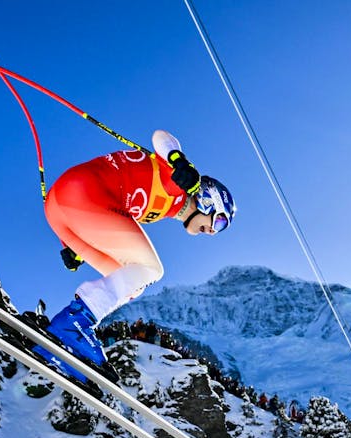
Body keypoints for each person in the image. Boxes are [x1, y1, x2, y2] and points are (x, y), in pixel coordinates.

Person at [32, 130, 236, 383]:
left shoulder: (166, 207)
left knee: (130, 279)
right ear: (208, 199)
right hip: (82, 193)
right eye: (219, 220)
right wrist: (179, 161)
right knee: (151, 269)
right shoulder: (177, 184)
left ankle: (62, 337)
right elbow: (161, 137)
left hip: (61, 210)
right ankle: (73, 324)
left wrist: (72, 244)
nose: (213, 231)